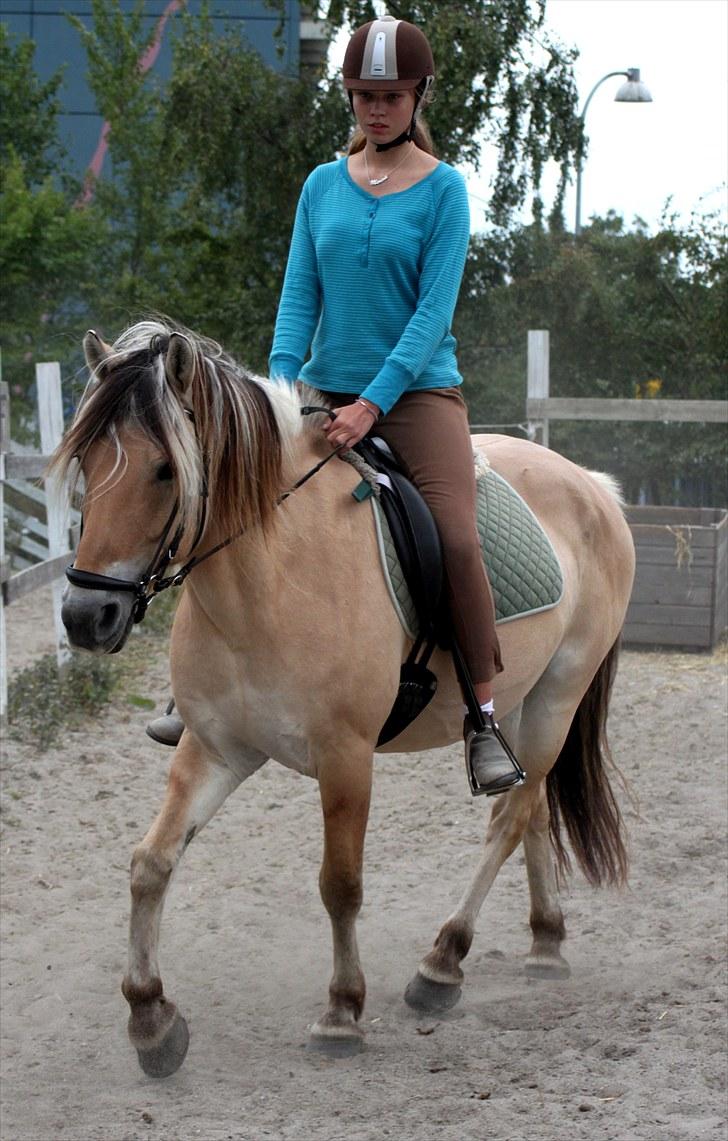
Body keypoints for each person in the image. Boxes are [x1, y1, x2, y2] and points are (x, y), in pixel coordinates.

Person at [266, 14, 523, 797]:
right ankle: (203, 690)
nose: (374, 109)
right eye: (362, 95)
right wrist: (281, 392)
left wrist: (373, 405)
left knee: (454, 539)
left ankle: (482, 718)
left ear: (416, 95)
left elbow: (430, 315)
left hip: (414, 396)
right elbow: (298, 296)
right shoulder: (320, 186)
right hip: (317, 390)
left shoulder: (445, 190)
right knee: (233, 504)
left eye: (389, 95)